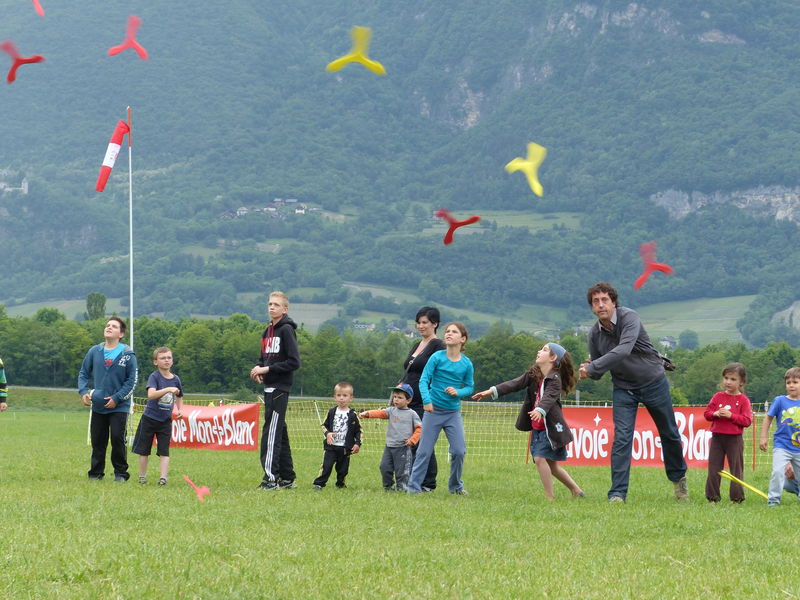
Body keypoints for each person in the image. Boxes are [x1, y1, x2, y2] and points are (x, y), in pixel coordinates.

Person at [579, 282, 688, 503]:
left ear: (613, 302)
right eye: (596, 302)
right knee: (622, 438)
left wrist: (594, 367)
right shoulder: (594, 334)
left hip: (653, 381)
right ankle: (617, 494)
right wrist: (590, 369)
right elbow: (599, 371)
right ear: (591, 307)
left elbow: (623, 349)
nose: (601, 305)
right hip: (623, 388)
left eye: (605, 300)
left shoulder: (630, 318)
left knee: (669, 433)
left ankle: (679, 482)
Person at [473, 343, 584, 500]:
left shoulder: (555, 379)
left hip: (550, 428)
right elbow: (514, 383)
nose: (539, 351)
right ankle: (576, 490)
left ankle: (549, 498)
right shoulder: (533, 374)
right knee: (551, 465)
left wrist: (540, 410)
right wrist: (492, 391)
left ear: (553, 358)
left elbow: (549, 397)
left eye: (545, 350)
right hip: (537, 427)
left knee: (539, 459)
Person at [407, 322, 473, 495]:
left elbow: (469, 387)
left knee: (459, 451)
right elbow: (423, 380)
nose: (449, 334)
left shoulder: (466, 364)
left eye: (454, 332)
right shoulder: (437, 357)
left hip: (452, 414)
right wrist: (427, 401)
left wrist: (458, 392)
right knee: (424, 452)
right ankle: (413, 488)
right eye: (447, 331)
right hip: (432, 411)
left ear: (463, 339)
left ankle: (456, 487)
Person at [250, 291, 301, 491]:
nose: (272, 307)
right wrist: (258, 369)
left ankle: (270, 479)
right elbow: (264, 358)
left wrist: (268, 369)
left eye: (276, 305)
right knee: (280, 432)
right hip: (269, 386)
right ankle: (287, 477)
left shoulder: (286, 330)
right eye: (270, 304)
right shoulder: (267, 331)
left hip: (280, 387)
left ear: (285, 309)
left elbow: (294, 362)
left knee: (270, 432)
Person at [78, 317, 138, 482]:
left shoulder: (127, 354)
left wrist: (117, 398)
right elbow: (83, 373)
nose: (109, 328)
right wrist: (83, 391)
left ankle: (120, 474)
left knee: (118, 438)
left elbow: (131, 381)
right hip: (98, 404)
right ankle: (96, 474)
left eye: (114, 326)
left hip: (119, 406)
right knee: (98, 440)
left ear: (121, 333)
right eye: (107, 325)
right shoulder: (94, 351)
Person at [401, 306, 445, 491]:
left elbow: (441, 372)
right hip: (407, 398)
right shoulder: (417, 344)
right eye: (418, 322)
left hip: (423, 400)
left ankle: (428, 482)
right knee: (410, 441)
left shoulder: (438, 346)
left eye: (425, 322)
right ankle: (412, 478)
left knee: (422, 440)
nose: (420, 326)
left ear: (435, 324)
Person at [132, 347, 184, 486]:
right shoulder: (154, 377)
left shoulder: (176, 379)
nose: (166, 360)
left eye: (169, 357)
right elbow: (151, 395)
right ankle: (142, 476)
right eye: (162, 358)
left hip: (165, 420)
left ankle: (163, 478)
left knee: (164, 451)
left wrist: (180, 410)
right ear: (156, 362)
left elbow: (179, 396)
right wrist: (167, 389)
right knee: (144, 450)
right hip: (149, 418)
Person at [703, 363, 752, 503]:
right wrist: (716, 414)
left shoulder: (744, 400)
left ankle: (737, 498)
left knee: (736, 469)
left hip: (734, 439)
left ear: (741, 382)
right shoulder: (717, 397)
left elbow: (747, 421)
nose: (728, 382)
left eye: (733, 379)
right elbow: (707, 414)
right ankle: (712, 498)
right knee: (714, 468)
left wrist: (731, 416)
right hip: (717, 437)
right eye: (726, 378)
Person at [359, 383, 422, 492]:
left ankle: (402, 487)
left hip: (403, 447)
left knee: (401, 471)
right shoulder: (391, 411)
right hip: (389, 447)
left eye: (400, 397)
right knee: (384, 467)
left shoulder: (412, 414)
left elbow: (420, 428)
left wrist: (412, 440)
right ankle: (388, 487)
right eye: (395, 397)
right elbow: (380, 413)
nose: (396, 400)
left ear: (408, 400)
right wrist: (368, 413)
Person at [759, 366, 800, 506]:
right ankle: (773, 500)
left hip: (798, 448)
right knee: (777, 472)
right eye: (788, 382)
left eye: (795, 382)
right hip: (782, 445)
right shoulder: (780, 400)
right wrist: (763, 437)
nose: (791, 385)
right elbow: (768, 418)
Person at [313, 382, 361, 490]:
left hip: (345, 448)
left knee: (343, 469)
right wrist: (327, 433)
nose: (342, 398)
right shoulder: (331, 412)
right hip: (331, 447)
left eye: (345, 396)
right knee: (327, 466)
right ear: (334, 397)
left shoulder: (353, 415)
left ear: (351, 398)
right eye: (339, 395)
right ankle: (319, 484)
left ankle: (341, 484)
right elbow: (323, 426)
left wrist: (357, 443)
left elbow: (359, 431)